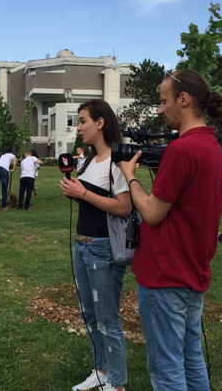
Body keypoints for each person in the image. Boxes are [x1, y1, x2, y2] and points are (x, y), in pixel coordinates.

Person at [116, 69, 222, 391]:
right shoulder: (211, 146)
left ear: (183, 99)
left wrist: (130, 175)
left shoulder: (182, 149)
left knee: (166, 368)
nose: (159, 109)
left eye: (163, 101)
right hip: (193, 271)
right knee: (191, 357)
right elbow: (180, 203)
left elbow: (152, 213)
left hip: (165, 275)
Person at [60, 99, 132, 391]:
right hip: (81, 245)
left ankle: (117, 383)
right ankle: (101, 370)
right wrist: (74, 192)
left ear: (100, 123)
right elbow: (90, 199)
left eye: (82, 121)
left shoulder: (118, 161)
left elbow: (124, 207)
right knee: (89, 315)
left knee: (107, 318)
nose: (78, 128)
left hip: (103, 249)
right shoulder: (88, 161)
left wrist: (83, 194)